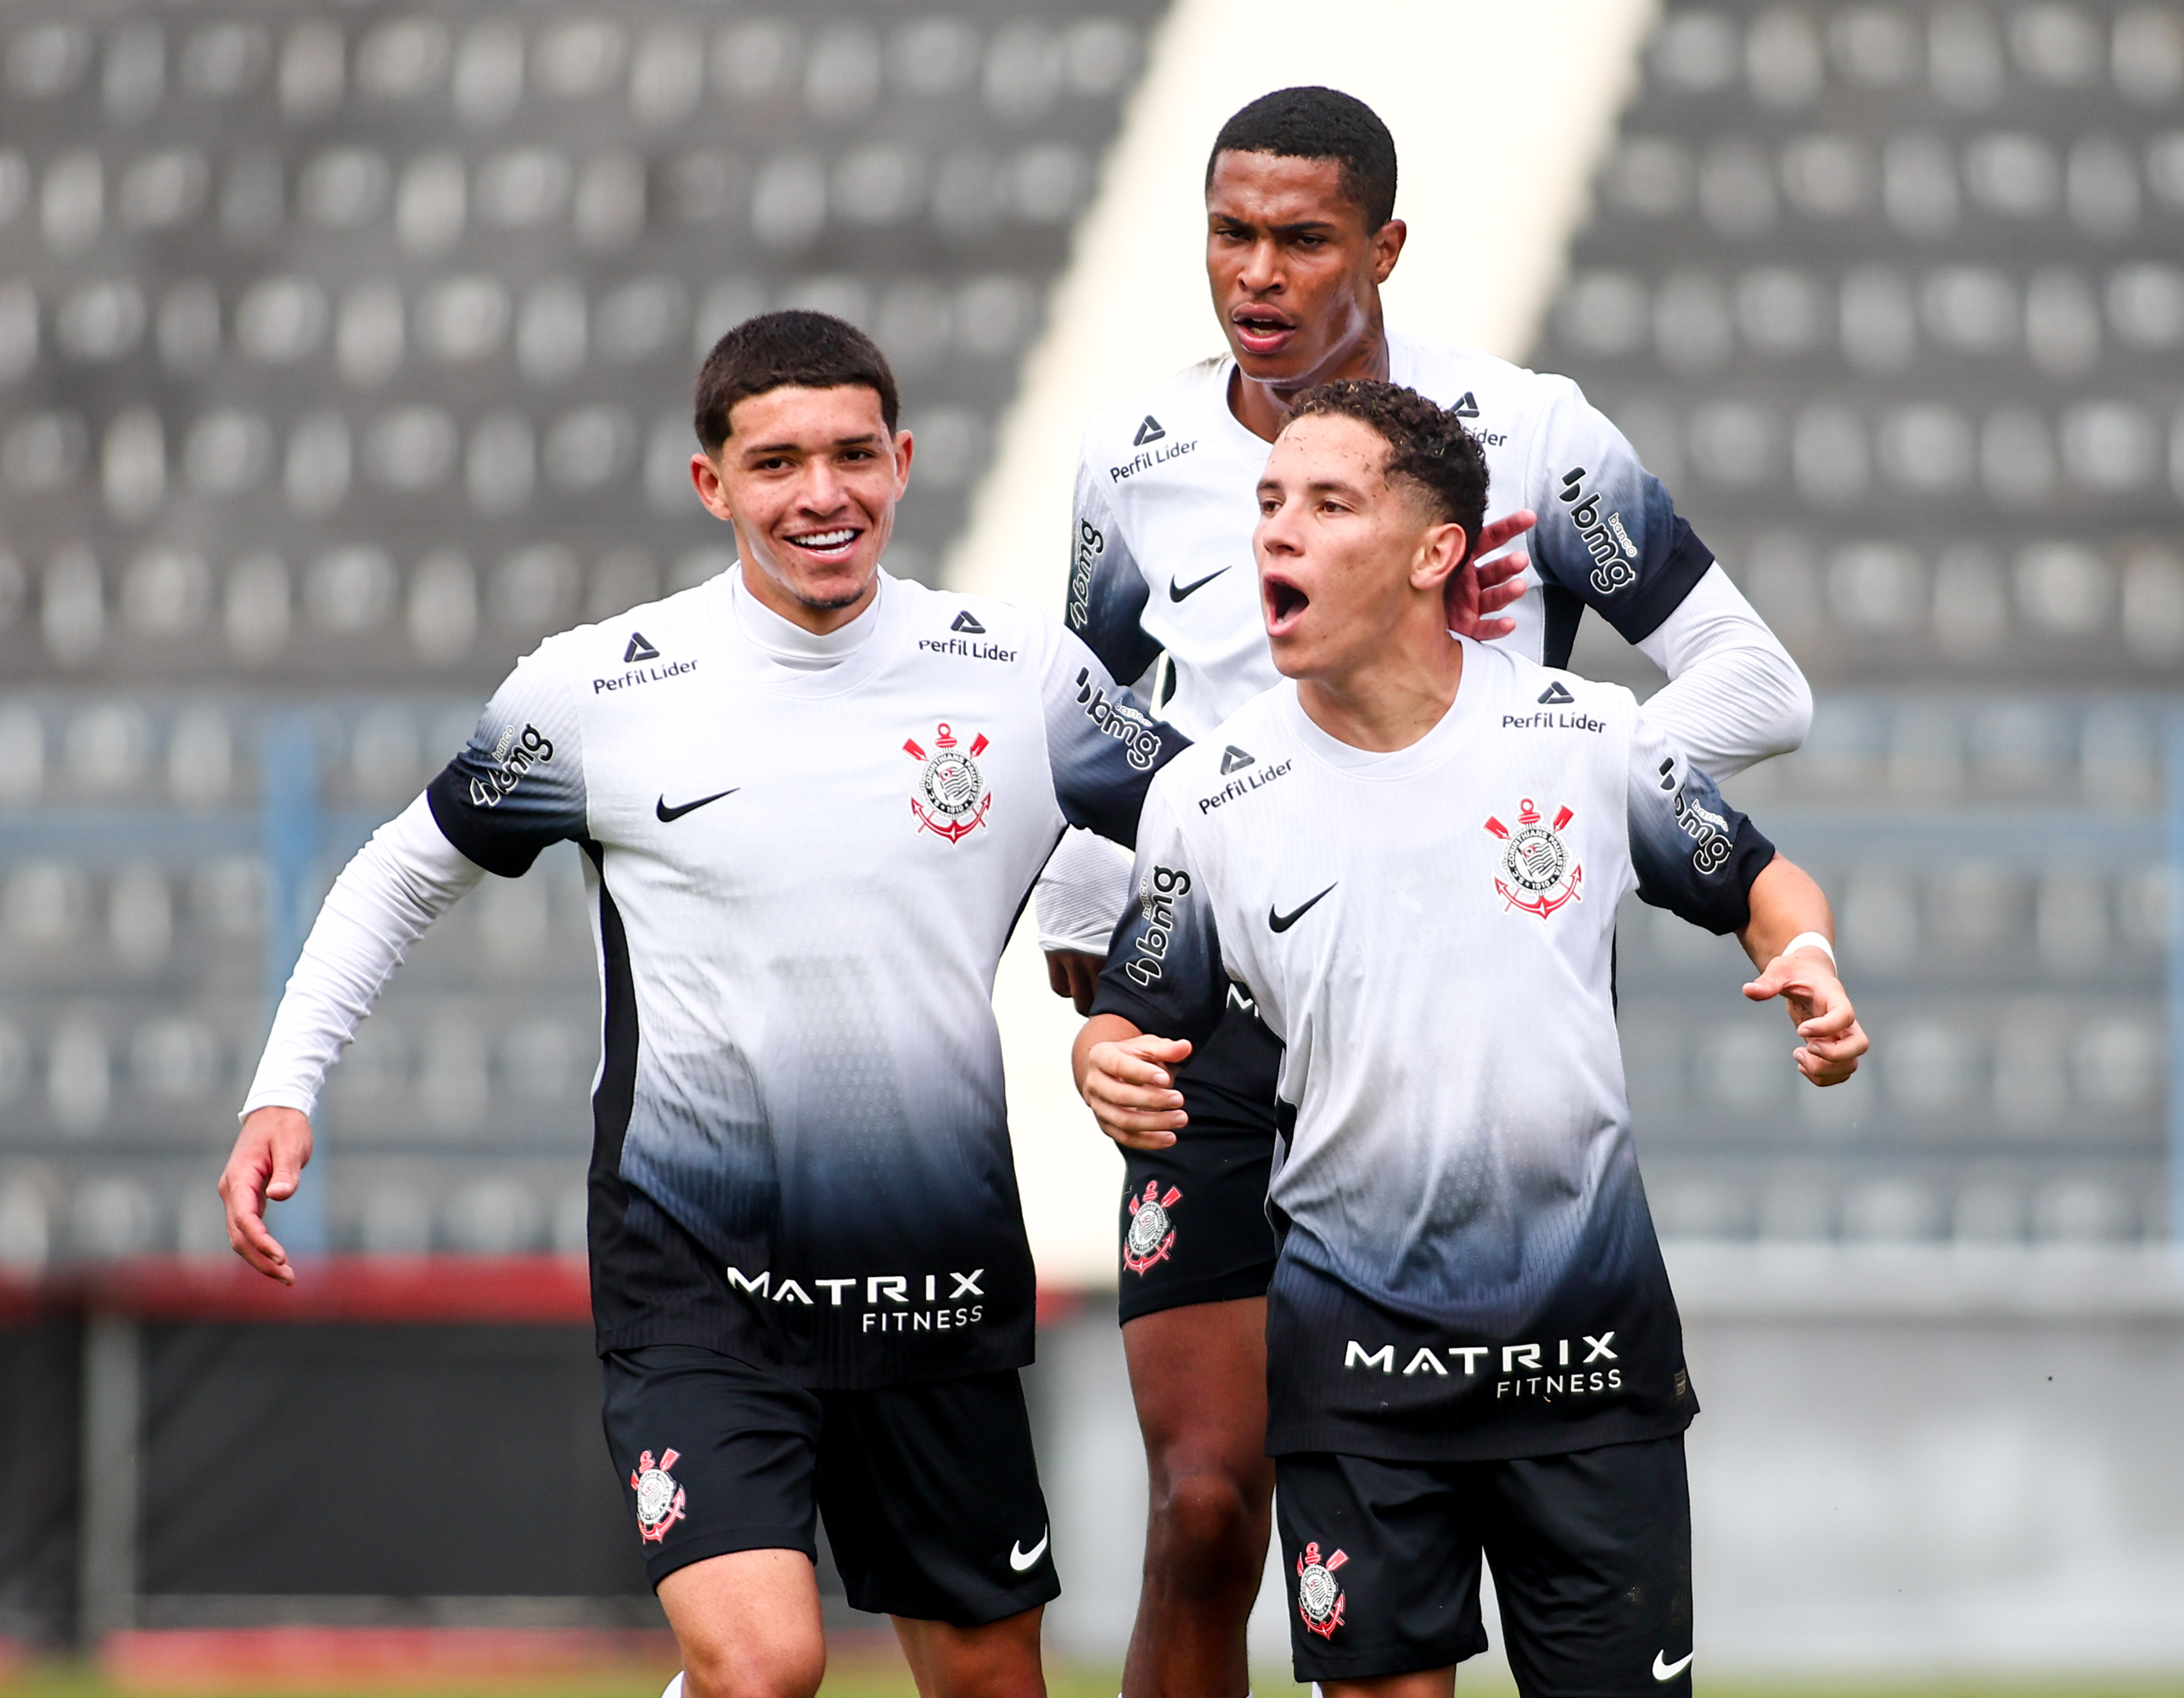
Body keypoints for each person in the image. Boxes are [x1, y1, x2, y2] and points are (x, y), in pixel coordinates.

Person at [216, 312, 1193, 1698]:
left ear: (902, 462)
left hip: (933, 1274)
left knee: (986, 1682)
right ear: (712, 485)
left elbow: (1222, 825)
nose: (821, 494)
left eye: (854, 454)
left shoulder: (1021, 676)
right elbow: (401, 872)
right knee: (762, 1667)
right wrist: (283, 1083)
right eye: (778, 460)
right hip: (699, 1279)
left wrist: (1112, 988)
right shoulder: (602, 687)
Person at [1035, 87, 1816, 1698]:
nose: (1256, 273)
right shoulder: (1134, 455)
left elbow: (1755, 680)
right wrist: (1080, 951)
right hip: (1228, 1031)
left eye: (1301, 240)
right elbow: (1085, 723)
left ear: (1382, 247)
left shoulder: (1527, 431)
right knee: (1198, 1505)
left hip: (1446, 1021)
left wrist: (1527, 787)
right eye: (1228, 235)